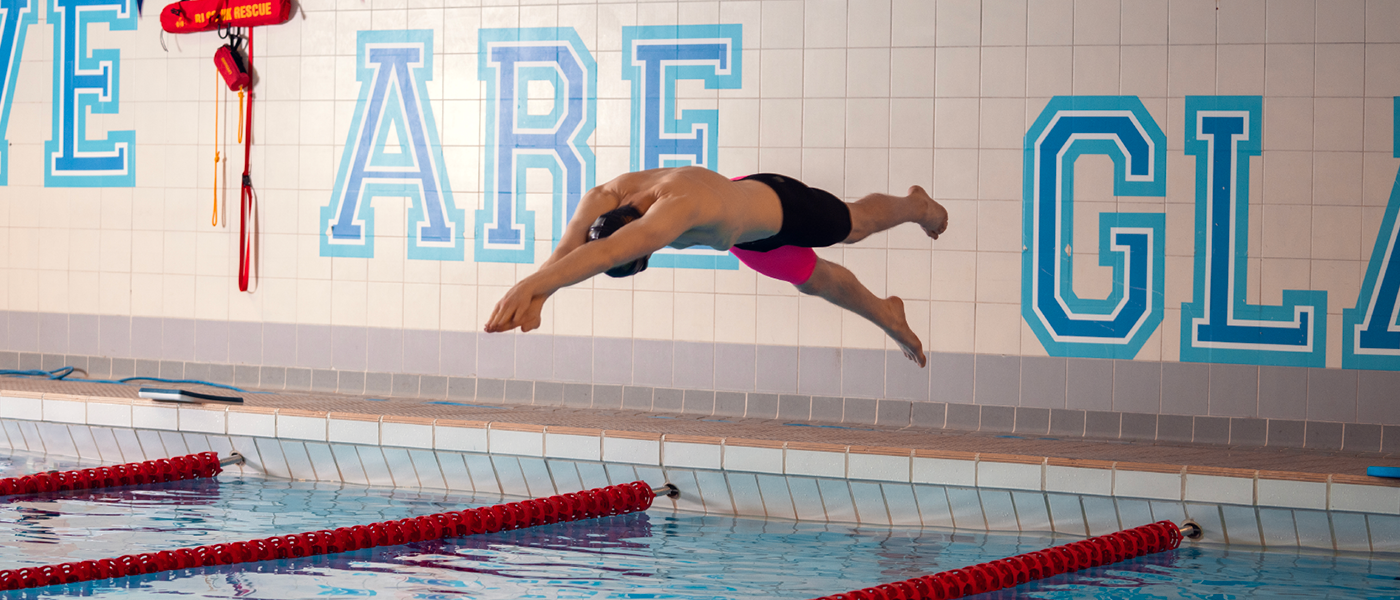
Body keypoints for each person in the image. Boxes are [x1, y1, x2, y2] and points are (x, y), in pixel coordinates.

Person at [483, 166, 948, 367]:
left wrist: (524, 289)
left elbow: (605, 253)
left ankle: (916, 206)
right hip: (746, 237)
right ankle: (889, 316)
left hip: (779, 205)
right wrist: (537, 294)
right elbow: (571, 248)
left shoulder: (674, 209)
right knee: (814, 280)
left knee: (856, 225)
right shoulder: (605, 197)